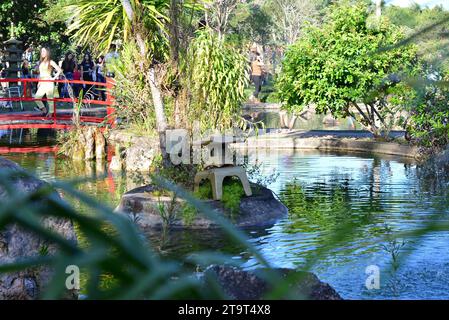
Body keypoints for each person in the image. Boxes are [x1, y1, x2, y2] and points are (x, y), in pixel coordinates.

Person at [34, 47, 62, 116]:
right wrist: (39, 82)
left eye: (44, 51)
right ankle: (44, 110)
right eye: (42, 51)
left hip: (49, 82)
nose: (42, 53)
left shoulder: (51, 61)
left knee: (50, 99)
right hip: (42, 82)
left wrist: (54, 78)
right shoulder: (41, 62)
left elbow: (60, 70)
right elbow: (40, 73)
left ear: (47, 52)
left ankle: (50, 115)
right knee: (37, 97)